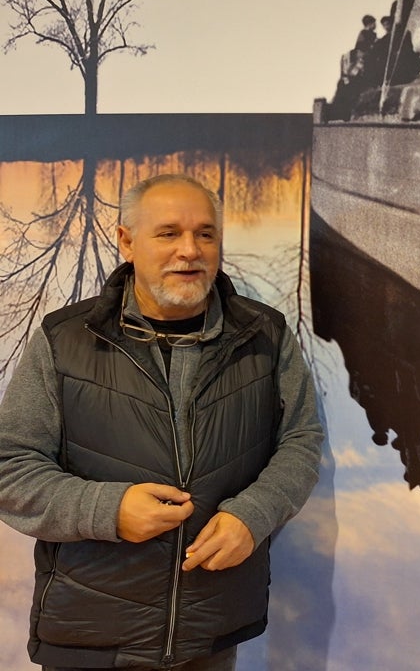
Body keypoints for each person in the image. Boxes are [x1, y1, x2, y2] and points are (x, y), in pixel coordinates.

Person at [0, 174, 325, 670]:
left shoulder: (266, 336)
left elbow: (300, 441)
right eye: (168, 233)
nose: (190, 250)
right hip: (90, 635)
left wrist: (255, 513)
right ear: (127, 241)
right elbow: (10, 468)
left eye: (206, 233)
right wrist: (107, 509)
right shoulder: (63, 340)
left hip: (210, 633)